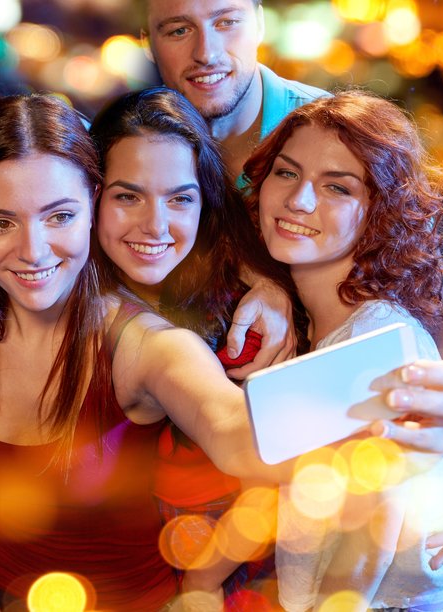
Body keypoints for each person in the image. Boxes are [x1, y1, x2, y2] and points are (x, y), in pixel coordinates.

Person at [0, 93, 443, 610]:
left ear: (87, 204)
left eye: (60, 215)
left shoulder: (148, 341)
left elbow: (237, 432)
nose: (33, 250)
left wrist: (405, 419)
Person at [138, 0, 443, 564]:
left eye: (226, 21)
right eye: (178, 29)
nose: (205, 52)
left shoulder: (317, 126)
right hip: (241, 422)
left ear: (259, 21)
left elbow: (429, 277)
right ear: (148, 39)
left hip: (338, 396)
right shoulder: (155, 132)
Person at [245, 90, 443, 611]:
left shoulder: (373, 346)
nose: (299, 201)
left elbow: (365, 549)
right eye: (286, 173)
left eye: (337, 187)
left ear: (381, 211)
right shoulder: (332, 316)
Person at [90, 86, 290, 604]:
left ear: (206, 202)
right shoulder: (69, 288)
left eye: (180, 198)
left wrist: (205, 579)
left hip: (230, 566)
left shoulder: (243, 322)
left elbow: (271, 473)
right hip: (132, 568)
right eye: (127, 196)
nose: (155, 225)